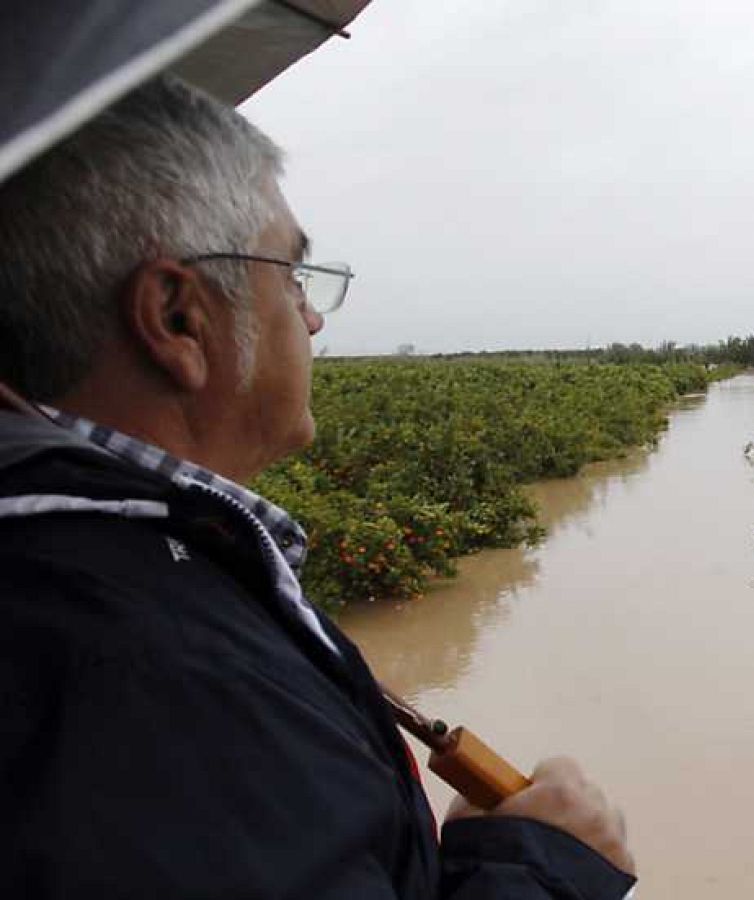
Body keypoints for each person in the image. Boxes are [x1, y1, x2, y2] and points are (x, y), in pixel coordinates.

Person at [0, 76, 635, 899]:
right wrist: (542, 871)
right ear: (178, 319)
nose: (313, 320)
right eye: (292, 276)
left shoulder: (108, 576)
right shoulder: (152, 679)